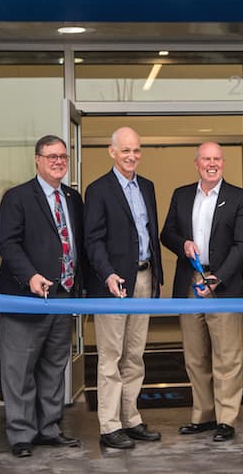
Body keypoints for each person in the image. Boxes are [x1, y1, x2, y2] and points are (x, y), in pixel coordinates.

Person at [0, 134, 85, 458]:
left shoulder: (73, 199)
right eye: (51, 156)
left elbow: (79, 248)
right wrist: (31, 276)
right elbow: (7, 244)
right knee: (19, 370)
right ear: (37, 159)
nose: (58, 161)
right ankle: (21, 434)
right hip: (25, 299)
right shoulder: (17, 197)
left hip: (63, 298)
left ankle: (48, 429)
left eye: (63, 156)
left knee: (53, 368)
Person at [160, 141, 243, 443]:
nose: (211, 164)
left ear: (223, 163)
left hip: (223, 285)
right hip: (190, 282)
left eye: (216, 159)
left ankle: (226, 419)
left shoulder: (239, 198)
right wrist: (182, 244)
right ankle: (203, 415)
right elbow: (166, 233)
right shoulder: (182, 194)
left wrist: (218, 277)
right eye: (205, 159)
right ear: (197, 163)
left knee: (227, 356)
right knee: (195, 356)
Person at [83, 126, 164, 450]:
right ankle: (109, 425)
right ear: (112, 151)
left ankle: (130, 419)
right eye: (126, 150)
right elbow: (93, 240)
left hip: (143, 278)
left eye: (136, 150)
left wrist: (156, 276)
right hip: (113, 283)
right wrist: (107, 274)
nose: (132, 156)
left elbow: (148, 234)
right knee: (111, 357)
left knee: (135, 356)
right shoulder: (98, 189)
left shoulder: (147, 186)